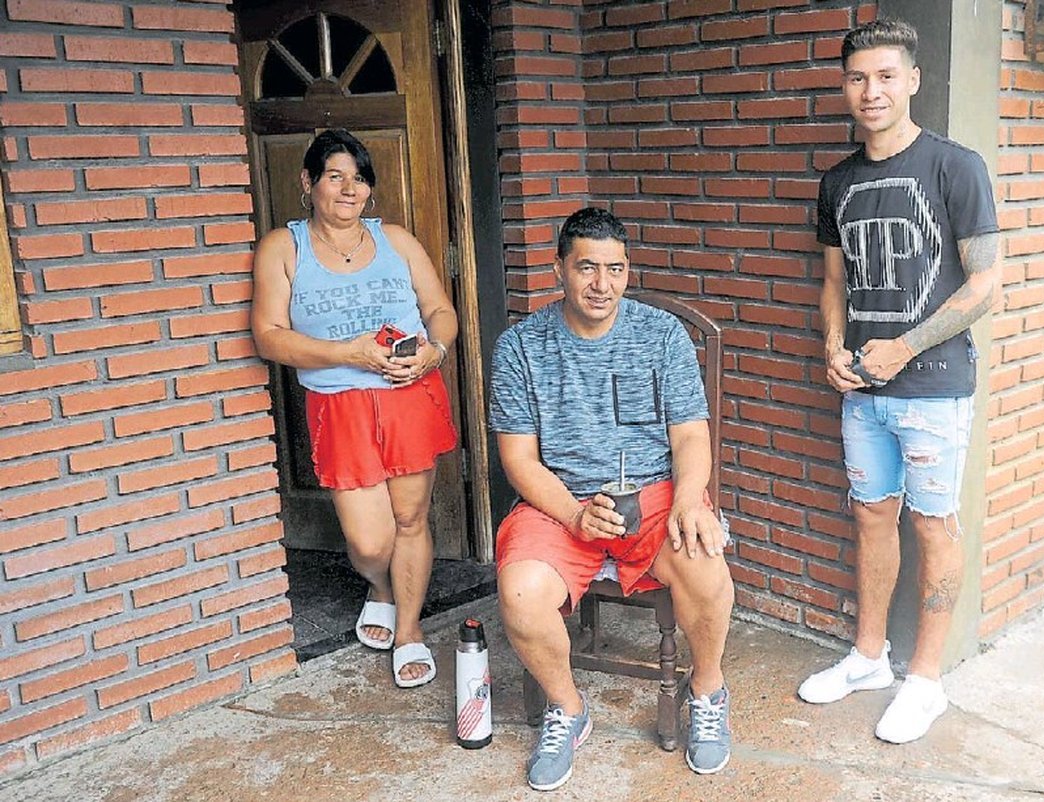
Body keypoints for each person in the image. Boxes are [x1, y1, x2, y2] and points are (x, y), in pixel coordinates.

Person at [796, 19, 1001, 744]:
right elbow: (832, 281)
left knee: (933, 526)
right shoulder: (838, 181)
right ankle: (869, 658)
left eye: (886, 76)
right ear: (844, 85)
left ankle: (926, 681)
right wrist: (832, 345)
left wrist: (904, 347)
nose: (871, 90)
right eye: (857, 77)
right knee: (871, 517)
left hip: (937, 390)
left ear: (912, 80)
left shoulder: (955, 166)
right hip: (862, 393)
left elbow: (986, 287)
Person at [489, 208, 735, 790]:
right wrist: (574, 514)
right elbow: (519, 459)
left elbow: (690, 434)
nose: (602, 284)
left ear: (628, 271)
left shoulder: (661, 335)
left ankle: (707, 691)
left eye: (616, 269)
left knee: (704, 563)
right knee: (519, 592)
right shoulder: (521, 347)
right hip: (561, 501)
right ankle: (568, 710)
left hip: (652, 495)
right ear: (559, 270)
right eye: (587, 268)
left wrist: (689, 500)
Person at [250, 129, 458, 688]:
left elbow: (441, 310)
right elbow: (269, 337)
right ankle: (381, 587)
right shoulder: (283, 248)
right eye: (335, 176)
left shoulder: (396, 240)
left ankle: (409, 629)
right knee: (370, 540)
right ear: (308, 182)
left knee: (411, 519)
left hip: (409, 396)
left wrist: (433, 354)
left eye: (359, 178)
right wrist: (349, 353)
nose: (349, 188)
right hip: (338, 403)